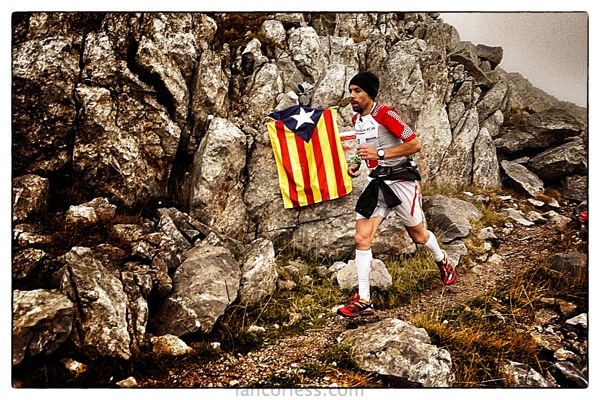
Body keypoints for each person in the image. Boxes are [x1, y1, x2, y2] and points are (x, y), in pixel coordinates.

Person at [337, 71, 456, 318]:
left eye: (358, 91)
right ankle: (364, 299)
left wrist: (380, 155)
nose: (352, 96)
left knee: (418, 235)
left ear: (370, 93)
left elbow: (414, 144)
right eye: (350, 91)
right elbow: (364, 147)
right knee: (361, 238)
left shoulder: (386, 114)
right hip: (376, 182)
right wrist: (356, 163)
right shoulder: (357, 120)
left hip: (401, 180)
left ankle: (442, 259)